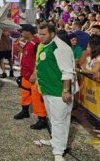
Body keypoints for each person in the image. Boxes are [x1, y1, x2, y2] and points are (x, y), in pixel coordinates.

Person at [34, 23, 78, 161]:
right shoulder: (48, 45)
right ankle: (55, 142)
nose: (40, 37)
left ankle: (58, 151)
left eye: (43, 34)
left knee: (60, 120)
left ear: (52, 33)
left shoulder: (60, 48)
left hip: (58, 92)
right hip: (49, 90)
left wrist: (65, 91)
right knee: (55, 120)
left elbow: (67, 72)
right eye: (39, 34)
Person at [14, 24, 47, 130]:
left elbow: (39, 61)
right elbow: (26, 53)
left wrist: (34, 74)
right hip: (25, 74)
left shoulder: (37, 43)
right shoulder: (28, 42)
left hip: (33, 76)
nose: (21, 33)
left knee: (36, 97)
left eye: (22, 31)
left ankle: (42, 119)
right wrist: (18, 47)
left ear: (28, 32)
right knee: (25, 94)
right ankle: (25, 111)